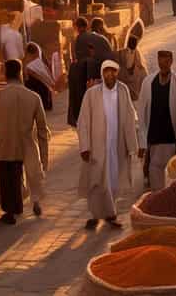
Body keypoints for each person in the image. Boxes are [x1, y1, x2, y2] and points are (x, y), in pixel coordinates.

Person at [0, 59, 50, 224]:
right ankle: (33, 201)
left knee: (7, 175)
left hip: (4, 142)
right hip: (25, 141)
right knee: (28, 171)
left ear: (6, 74)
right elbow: (42, 128)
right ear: (21, 73)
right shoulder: (34, 97)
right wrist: (44, 156)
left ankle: (11, 210)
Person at [77, 60, 139, 229]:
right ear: (102, 73)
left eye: (112, 71)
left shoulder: (123, 90)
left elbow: (129, 117)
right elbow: (82, 121)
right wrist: (85, 146)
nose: (109, 75)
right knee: (96, 180)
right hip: (97, 146)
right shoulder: (92, 94)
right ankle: (98, 215)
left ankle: (110, 214)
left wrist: (133, 144)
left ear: (117, 73)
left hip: (117, 145)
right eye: (106, 71)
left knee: (112, 180)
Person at [137, 50, 176, 189]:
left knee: (172, 177)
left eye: (166, 61)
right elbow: (141, 112)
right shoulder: (148, 83)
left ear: (171, 61)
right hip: (154, 140)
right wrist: (142, 141)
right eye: (160, 61)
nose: (163, 64)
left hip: (172, 139)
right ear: (158, 62)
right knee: (154, 174)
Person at [24, 42, 59, 111]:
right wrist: (50, 83)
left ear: (29, 54)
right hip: (45, 90)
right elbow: (47, 75)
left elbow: (37, 77)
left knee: (28, 83)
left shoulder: (29, 66)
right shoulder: (40, 63)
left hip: (38, 90)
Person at [116, 35, 148, 101]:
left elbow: (137, 63)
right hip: (124, 75)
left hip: (131, 75)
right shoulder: (123, 52)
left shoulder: (135, 52)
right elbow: (127, 64)